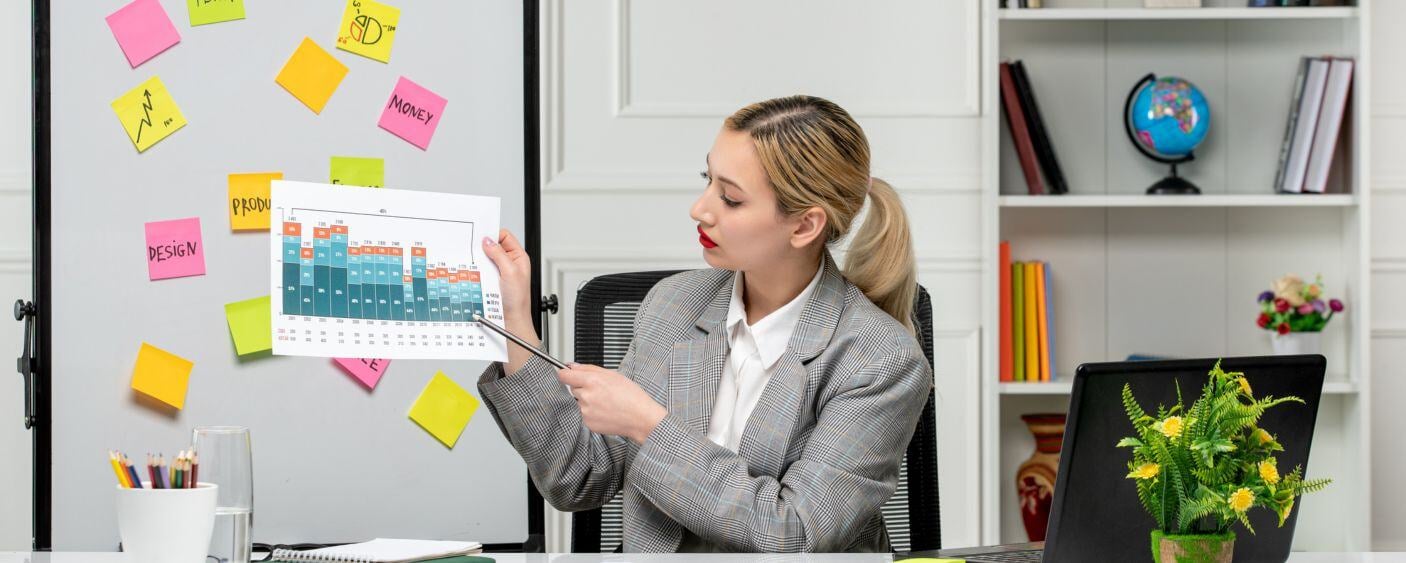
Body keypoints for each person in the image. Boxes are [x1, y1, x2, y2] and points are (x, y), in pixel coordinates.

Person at [476, 95, 932, 552]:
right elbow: (576, 477)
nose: (700, 208)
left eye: (730, 198)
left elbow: (792, 534)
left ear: (804, 226)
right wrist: (515, 321)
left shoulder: (881, 360)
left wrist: (649, 427)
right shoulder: (674, 304)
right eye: (707, 180)